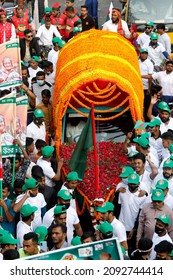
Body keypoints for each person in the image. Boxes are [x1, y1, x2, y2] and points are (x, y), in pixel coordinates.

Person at [118, 173, 147, 256]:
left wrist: (134, 229)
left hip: (133, 229)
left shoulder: (142, 196)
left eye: (134, 183)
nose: (132, 185)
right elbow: (118, 208)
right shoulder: (122, 193)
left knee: (131, 250)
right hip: (122, 226)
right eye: (130, 183)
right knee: (121, 249)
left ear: (138, 184)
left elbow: (140, 214)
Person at [138, 48, 154, 121]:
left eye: (145, 53)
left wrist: (149, 88)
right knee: (140, 106)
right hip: (138, 87)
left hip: (145, 88)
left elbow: (150, 77)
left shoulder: (149, 63)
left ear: (147, 54)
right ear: (140, 54)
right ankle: (140, 120)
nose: (144, 55)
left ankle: (147, 122)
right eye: (142, 53)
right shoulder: (137, 62)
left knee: (146, 105)